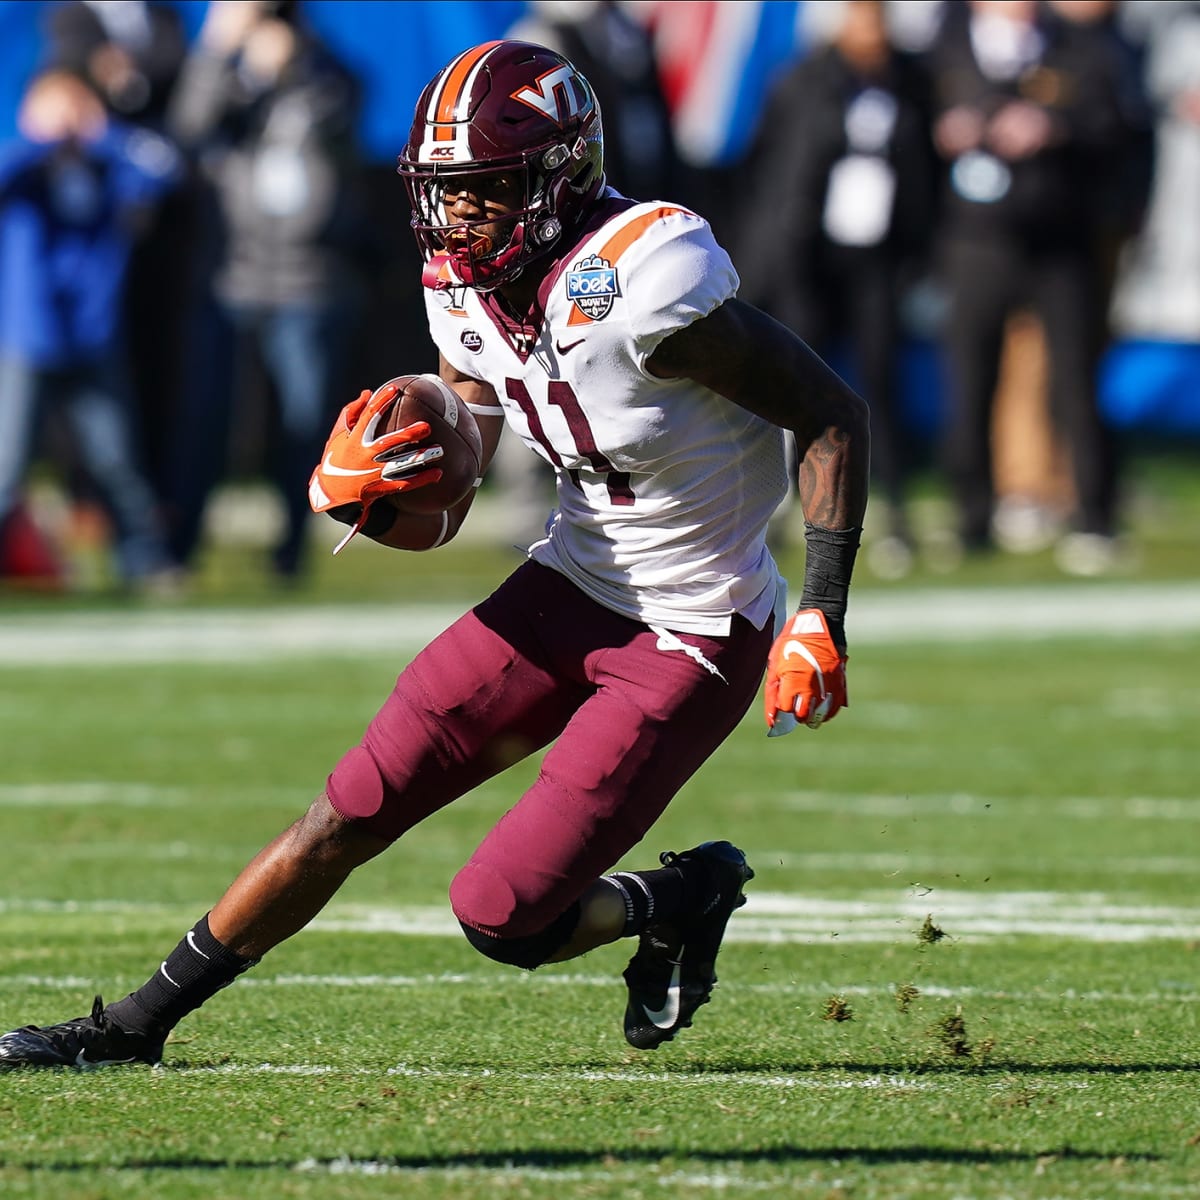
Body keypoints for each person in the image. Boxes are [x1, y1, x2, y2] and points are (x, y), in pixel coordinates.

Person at [0, 40, 869, 1069]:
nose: (458, 219)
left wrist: (819, 609)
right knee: (348, 807)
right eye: (444, 193)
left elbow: (830, 412)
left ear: (561, 176)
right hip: (572, 582)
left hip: (696, 625)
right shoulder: (459, 280)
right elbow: (469, 438)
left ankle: (679, 894)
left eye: (487, 191)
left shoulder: (646, 282)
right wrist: (402, 465)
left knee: (503, 915)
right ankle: (135, 1026)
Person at [924, 0, 1144, 574]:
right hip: (975, 241)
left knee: (1076, 379)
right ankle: (973, 516)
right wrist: (947, 130)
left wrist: (1055, 128)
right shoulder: (944, 46)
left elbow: (1115, 125)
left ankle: (1094, 513)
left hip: (1058, 238)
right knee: (971, 379)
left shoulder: (1076, 45)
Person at [163, 0, 371, 581]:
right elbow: (187, 130)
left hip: (308, 278)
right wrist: (224, 55)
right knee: (209, 419)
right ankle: (179, 548)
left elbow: (344, 116)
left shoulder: (324, 67)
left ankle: (291, 550)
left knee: (303, 423)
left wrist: (289, 66)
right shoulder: (225, 71)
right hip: (234, 275)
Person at [734, 0, 937, 577]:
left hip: (876, 259)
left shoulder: (907, 81)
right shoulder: (802, 81)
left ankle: (892, 508)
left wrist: (917, 250)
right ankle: (786, 508)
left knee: (879, 383)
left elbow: (922, 169)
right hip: (808, 261)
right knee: (797, 386)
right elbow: (773, 170)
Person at [0, 67, 180, 594]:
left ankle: (144, 563)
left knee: (115, 460)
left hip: (93, 336)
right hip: (28, 338)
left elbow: (163, 168)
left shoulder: (108, 166)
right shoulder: (26, 170)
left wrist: (100, 132)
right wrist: (42, 141)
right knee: (8, 464)